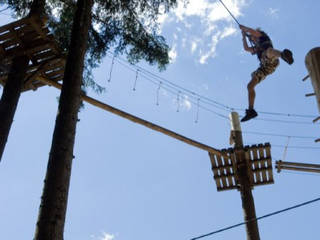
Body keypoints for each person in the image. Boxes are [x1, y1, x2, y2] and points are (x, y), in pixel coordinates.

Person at [239, 24, 293, 122]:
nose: (252, 39)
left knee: (268, 51)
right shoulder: (257, 48)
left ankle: (283, 55)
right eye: (252, 39)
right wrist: (243, 36)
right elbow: (246, 49)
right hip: (265, 68)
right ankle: (251, 111)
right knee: (250, 86)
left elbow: (252, 31)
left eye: (253, 37)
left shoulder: (263, 37)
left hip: (272, 59)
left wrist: (245, 29)